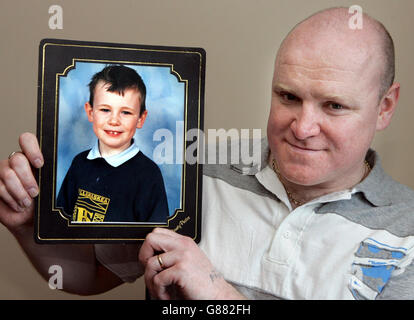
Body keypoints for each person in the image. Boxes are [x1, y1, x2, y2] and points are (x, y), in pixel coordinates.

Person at [0, 7, 413, 299]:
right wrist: (26, 225)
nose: (302, 128)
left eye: (334, 106)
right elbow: (93, 274)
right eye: (288, 96)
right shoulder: (191, 168)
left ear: (385, 107)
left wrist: (215, 291)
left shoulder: (406, 233)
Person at [57, 65, 169, 223]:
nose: (114, 121)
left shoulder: (149, 174)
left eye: (126, 112)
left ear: (140, 119)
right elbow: (59, 224)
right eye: (105, 110)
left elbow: (157, 236)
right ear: (90, 112)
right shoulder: (79, 164)